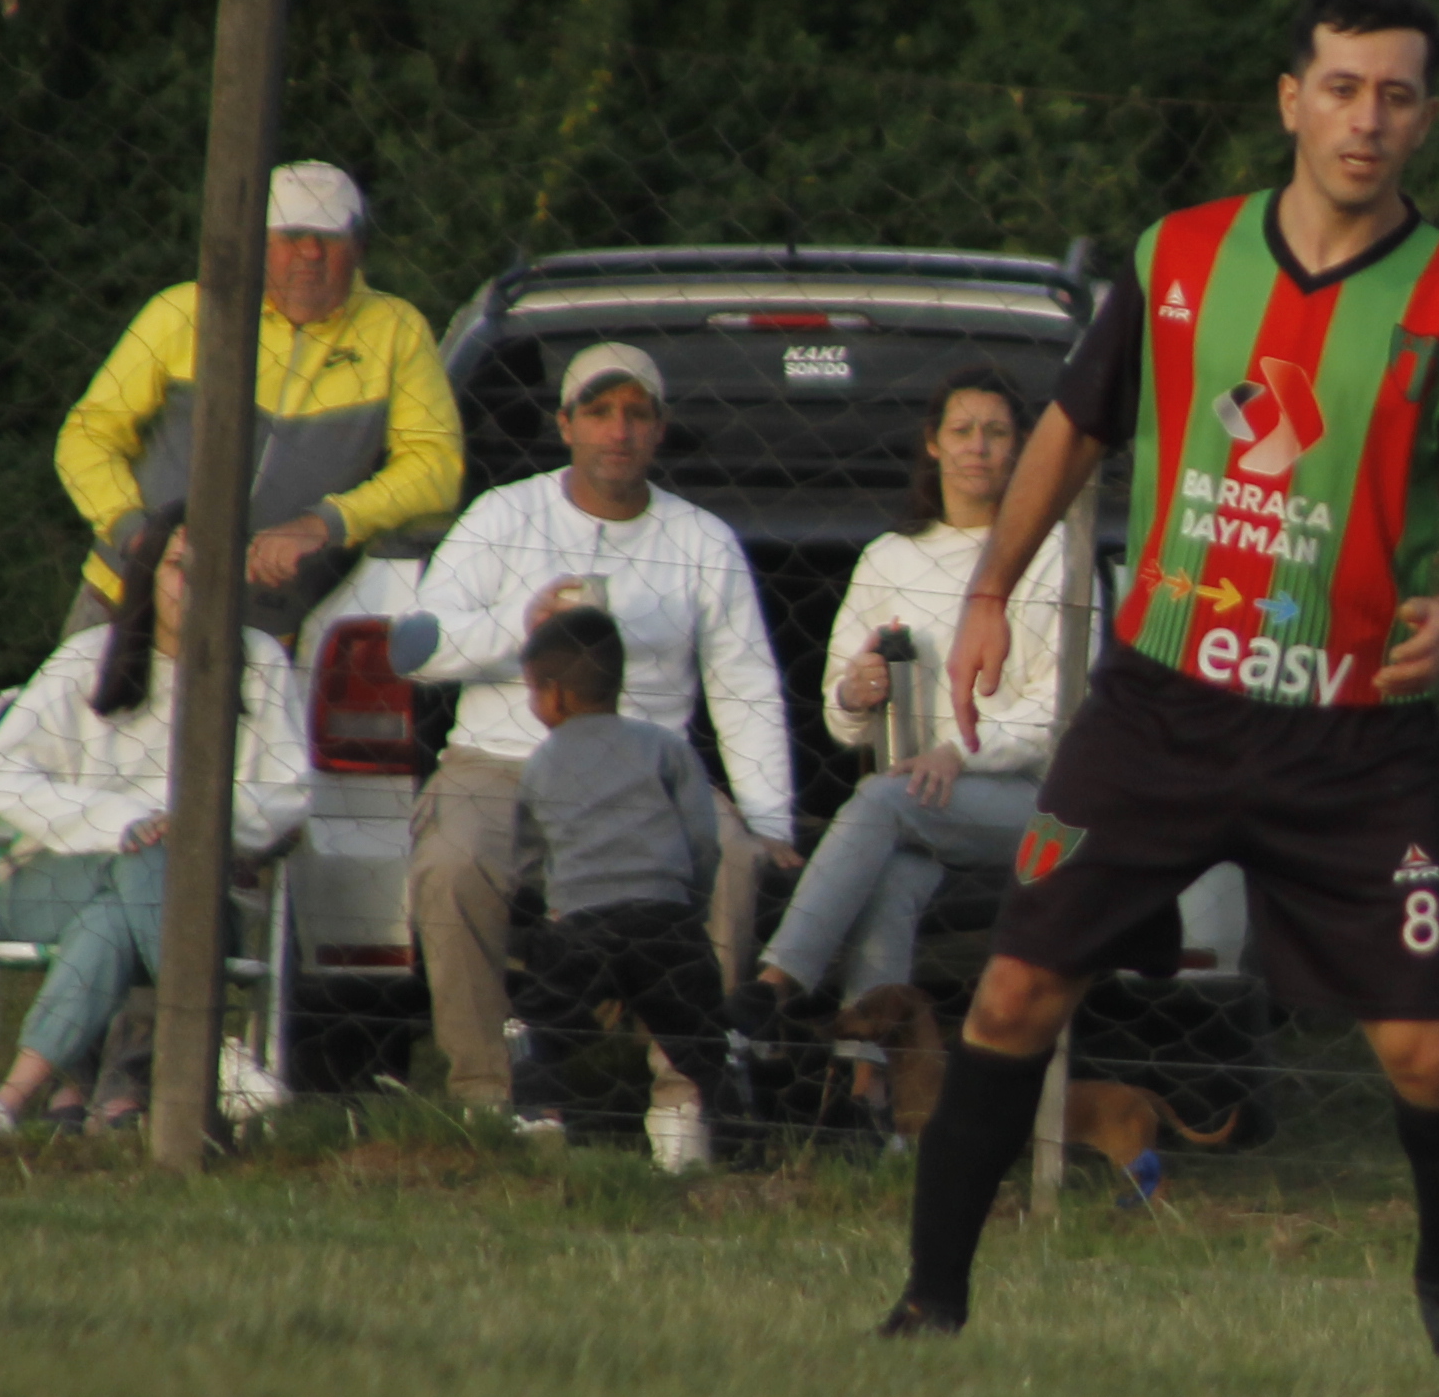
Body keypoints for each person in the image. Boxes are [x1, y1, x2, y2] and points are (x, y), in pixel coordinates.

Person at [881, 0, 1439, 1360]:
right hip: (1162, 710)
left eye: (1397, 96)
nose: (1367, 120)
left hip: (1354, 738)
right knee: (1014, 992)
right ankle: (929, 1305)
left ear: (1426, 120)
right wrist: (990, 585)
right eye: (1343, 89)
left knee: (1430, 1053)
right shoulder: (1179, 257)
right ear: (1292, 100)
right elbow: (1075, 424)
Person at [387, 343, 796, 1118]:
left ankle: (689, 1094)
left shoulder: (701, 539)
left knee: (735, 860)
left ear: (660, 429)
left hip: (644, 771)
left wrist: (768, 819)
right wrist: (524, 624)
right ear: (565, 423)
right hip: (503, 761)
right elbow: (417, 647)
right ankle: (493, 1096)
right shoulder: (504, 515)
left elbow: (744, 684)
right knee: (452, 863)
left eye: (637, 414)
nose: (619, 431)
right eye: (600, 412)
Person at [729, 367, 1068, 1140]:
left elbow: (1061, 708)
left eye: (996, 432)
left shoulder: (1051, 555)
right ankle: (870, 1096)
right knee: (893, 874)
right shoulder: (889, 557)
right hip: (921, 805)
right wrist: (856, 692)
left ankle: (774, 984)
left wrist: (960, 752)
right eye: (962, 431)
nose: (978, 447)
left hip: (1029, 801)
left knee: (881, 801)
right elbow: (840, 715)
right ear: (933, 444)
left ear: (1020, 449)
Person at [0, 528, 305, 1137]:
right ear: (146, 575)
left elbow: (291, 794)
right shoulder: (86, 658)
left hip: (200, 899)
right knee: (144, 855)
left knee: (113, 918)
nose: (191, 584)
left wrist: (196, 821)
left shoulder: (259, 662)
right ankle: (212, 1051)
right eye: (176, 566)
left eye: (210, 567)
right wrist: (120, 823)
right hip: (48, 883)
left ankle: (12, 1100)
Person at [53, 159, 465, 639]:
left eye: (329, 238)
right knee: (81, 692)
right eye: (292, 235)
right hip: (126, 593)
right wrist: (135, 534)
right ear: (255, 241)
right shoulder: (183, 311)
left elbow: (436, 466)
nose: (310, 252)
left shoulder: (397, 331)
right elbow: (88, 435)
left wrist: (325, 524)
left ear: (359, 247)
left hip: (266, 621)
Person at [501, 610, 733, 1157]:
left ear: (554, 696)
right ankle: (728, 1137)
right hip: (665, 923)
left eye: (532, 691)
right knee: (703, 1043)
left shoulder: (541, 763)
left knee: (539, 1027)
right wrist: (690, 906)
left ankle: (541, 1118)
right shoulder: (665, 747)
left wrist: (542, 917)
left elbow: (526, 862)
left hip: (583, 929)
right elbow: (704, 840)